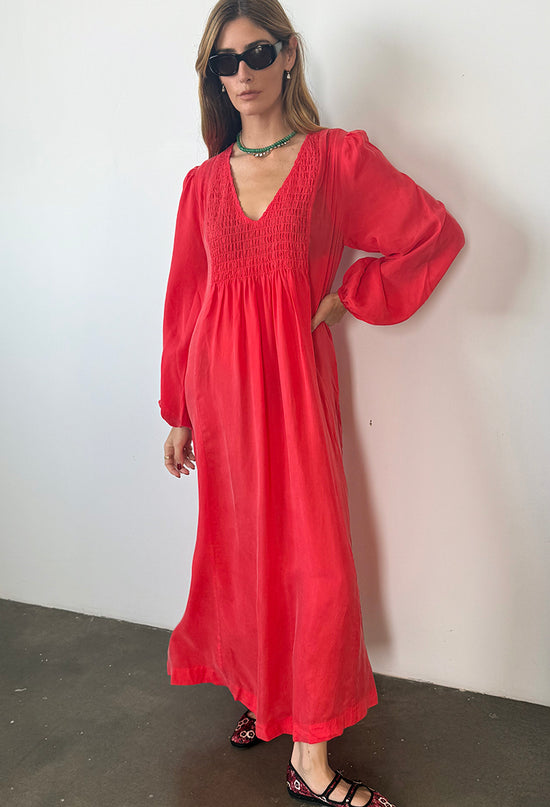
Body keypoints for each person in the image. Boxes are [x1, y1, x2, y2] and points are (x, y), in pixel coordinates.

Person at [159, 1, 465, 804]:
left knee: (315, 562)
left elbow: (431, 232)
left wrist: (348, 296)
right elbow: (186, 302)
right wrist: (178, 410)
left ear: (289, 54)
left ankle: (311, 758)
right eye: (223, 62)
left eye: (257, 52)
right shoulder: (201, 185)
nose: (243, 73)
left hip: (293, 391)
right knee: (241, 551)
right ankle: (267, 701)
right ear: (212, 76)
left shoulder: (335, 160)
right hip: (222, 397)